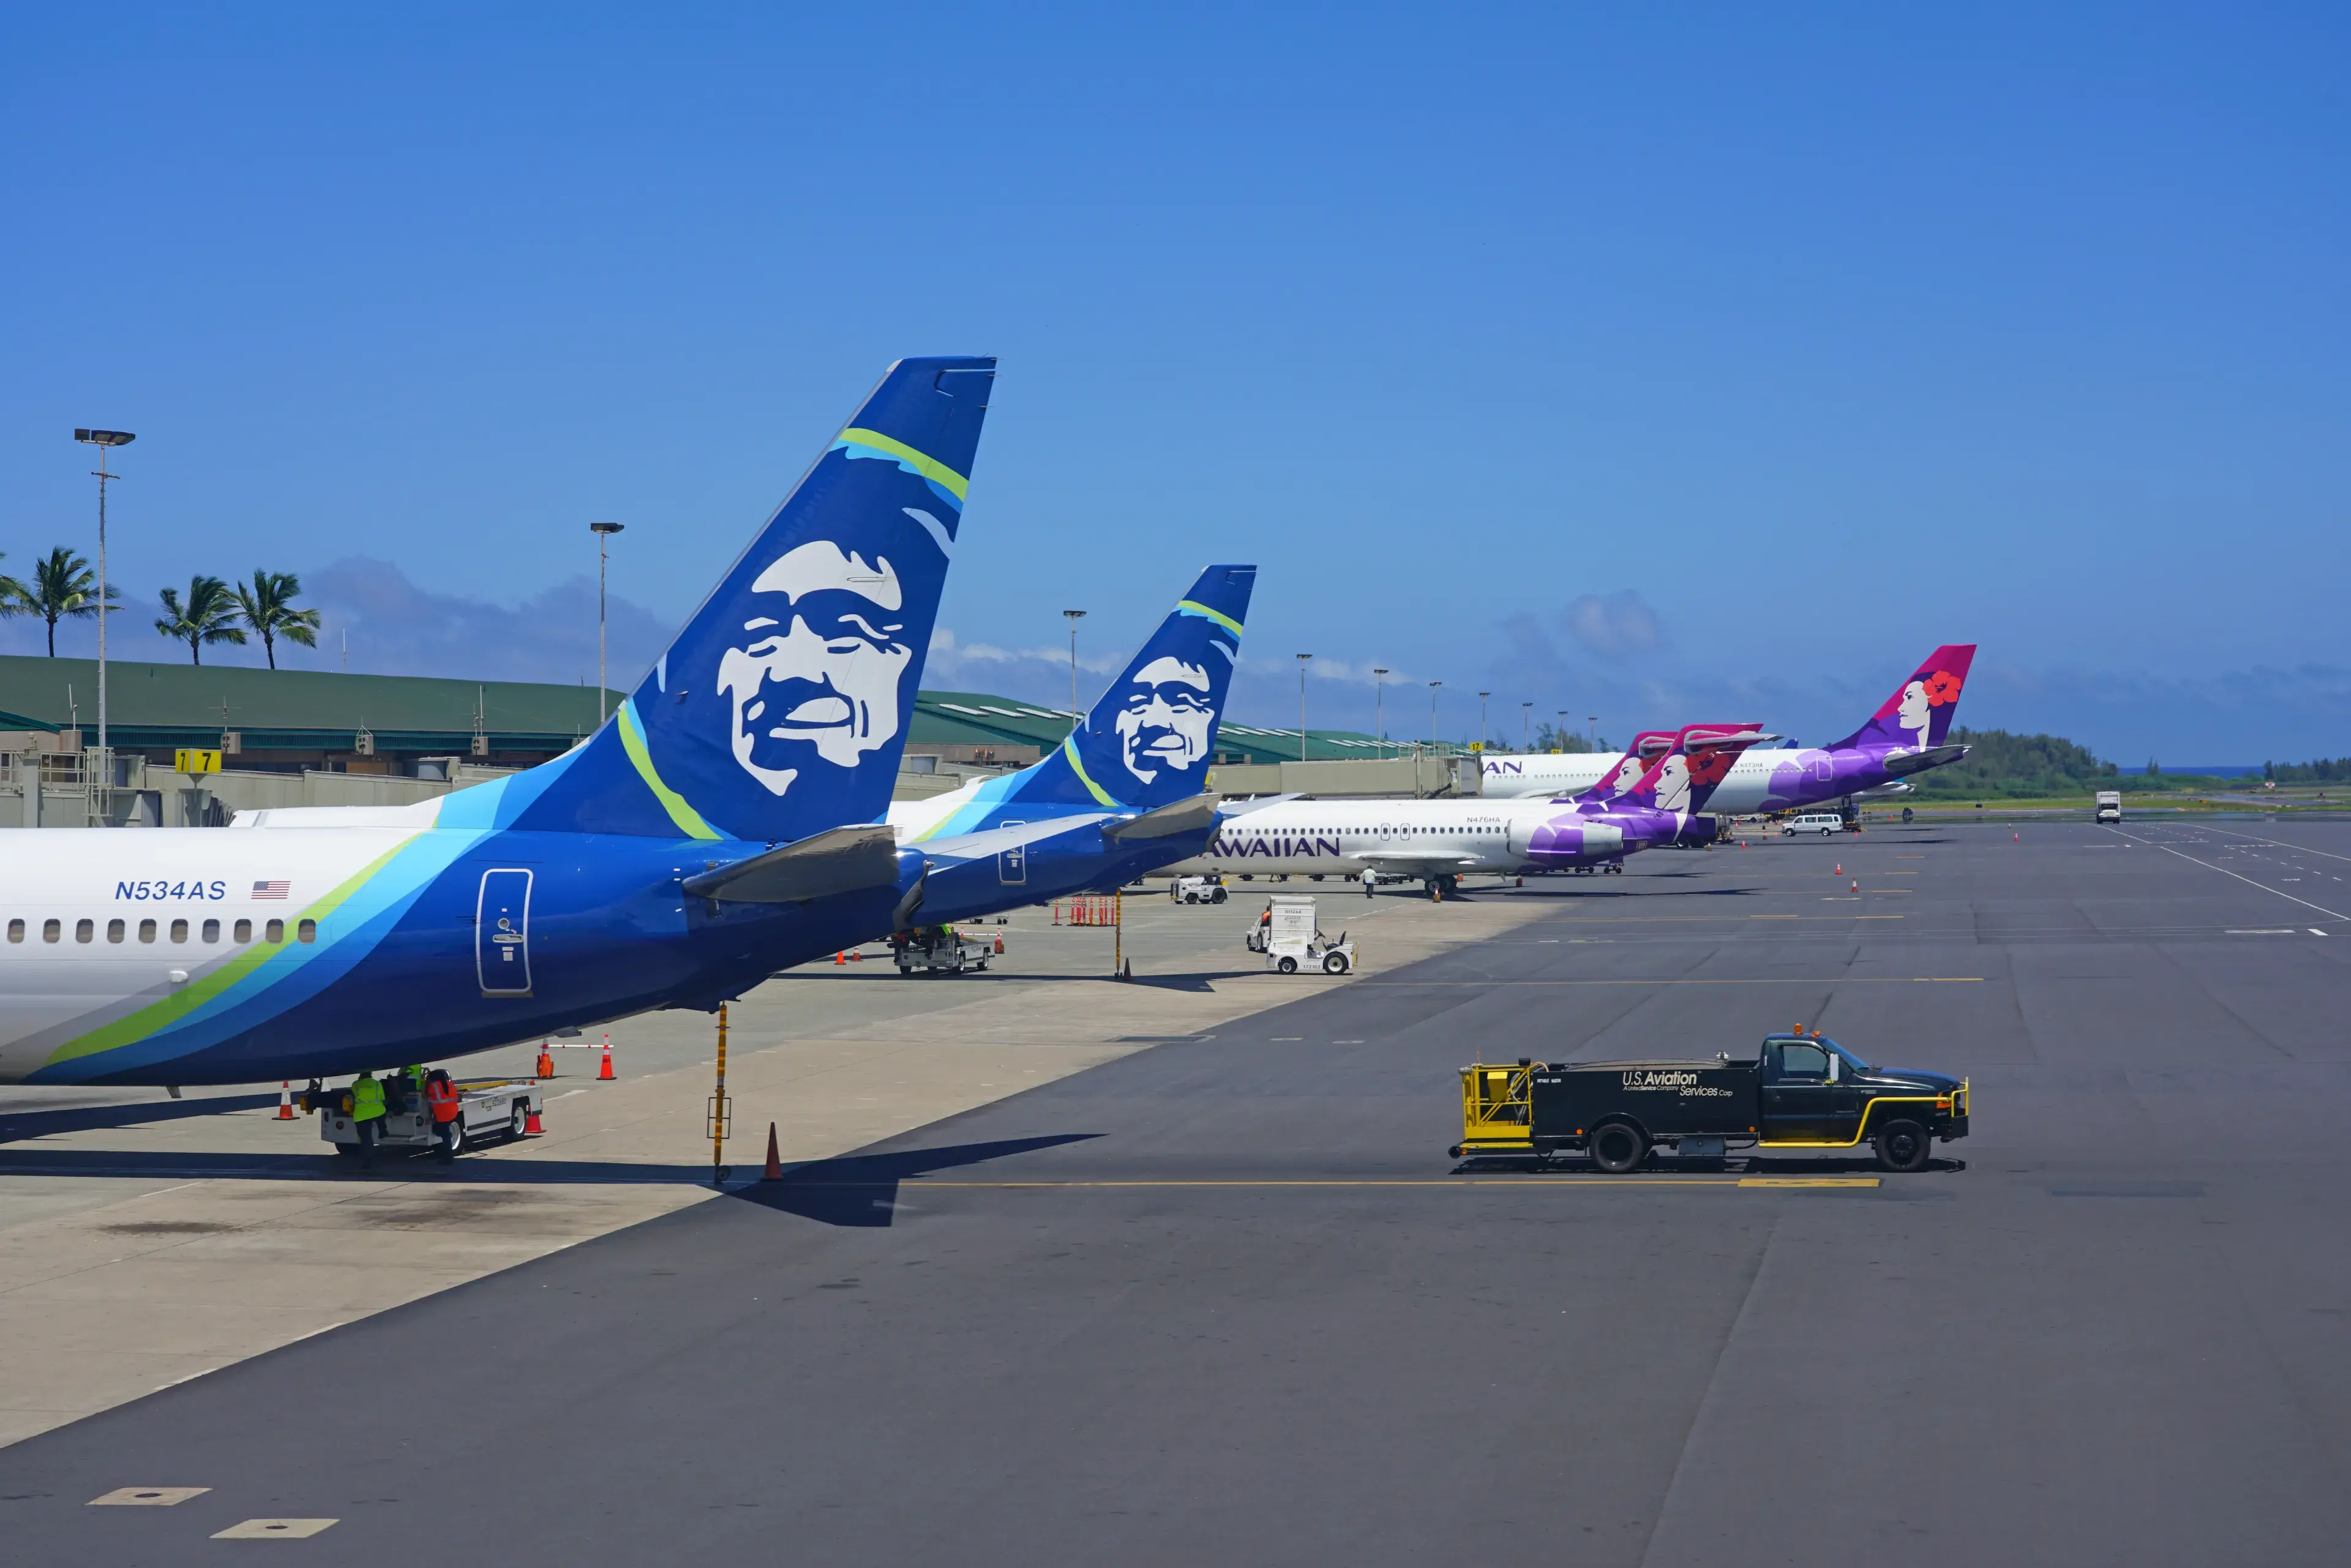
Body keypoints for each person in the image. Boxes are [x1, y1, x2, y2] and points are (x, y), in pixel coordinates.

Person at [349, 1070, 386, 1168]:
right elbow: (382, 1097)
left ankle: (367, 1162)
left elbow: (353, 1096)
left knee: (366, 1139)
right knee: (383, 1112)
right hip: (377, 1112)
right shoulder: (377, 1084)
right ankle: (383, 1130)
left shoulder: (355, 1085)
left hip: (361, 1115)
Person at [424, 1069, 462, 1160]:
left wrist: (426, 1084)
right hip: (452, 1111)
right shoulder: (449, 1084)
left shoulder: (433, 1086)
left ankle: (448, 1158)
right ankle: (447, 1156)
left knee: (442, 1133)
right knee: (445, 1134)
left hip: (442, 1113)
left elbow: (426, 1095)